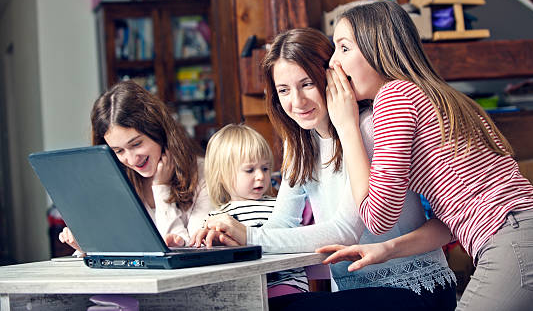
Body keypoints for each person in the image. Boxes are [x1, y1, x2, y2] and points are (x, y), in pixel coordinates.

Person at [318, 0, 533, 311]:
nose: (332, 63)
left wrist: (346, 127)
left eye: (343, 48)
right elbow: (451, 223)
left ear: (379, 48)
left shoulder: (394, 96)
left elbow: (377, 216)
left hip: (522, 243)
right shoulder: (449, 99)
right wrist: (388, 249)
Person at [190, 28, 456, 310]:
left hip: (415, 289)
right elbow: (282, 223)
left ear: (333, 77)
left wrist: (251, 236)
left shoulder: (367, 127)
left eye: (307, 84)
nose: (297, 102)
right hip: (357, 293)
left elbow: (344, 231)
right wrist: (232, 237)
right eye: (284, 90)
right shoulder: (301, 145)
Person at [59, 80, 211, 253]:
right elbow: (118, 248)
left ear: (158, 130)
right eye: (118, 150)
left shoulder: (203, 173)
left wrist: (162, 188)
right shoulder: (119, 178)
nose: (131, 160)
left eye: (136, 144)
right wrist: (88, 247)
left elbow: (192, 251)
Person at [203, 123, 310, 297]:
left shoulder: (283, 206)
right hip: (242, 293)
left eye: (265, 168)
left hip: (286, 286)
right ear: (222, 175)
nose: (261, 176)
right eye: (250, 170)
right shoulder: (217, 218)